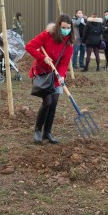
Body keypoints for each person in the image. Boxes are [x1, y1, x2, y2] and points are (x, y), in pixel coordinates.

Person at [25, 14, 74, 144]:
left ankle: (48, 132)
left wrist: (62, 76)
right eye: (64, 27)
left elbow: (64, 63)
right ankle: (37, 131)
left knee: (54, 103)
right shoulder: (47, 35)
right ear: (58, 26)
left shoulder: (68, 43)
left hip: (56, 74)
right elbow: (29, 46)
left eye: (68, 28)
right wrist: (43, 58)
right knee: (47, 102)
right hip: (42, 74)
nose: (66, 30)